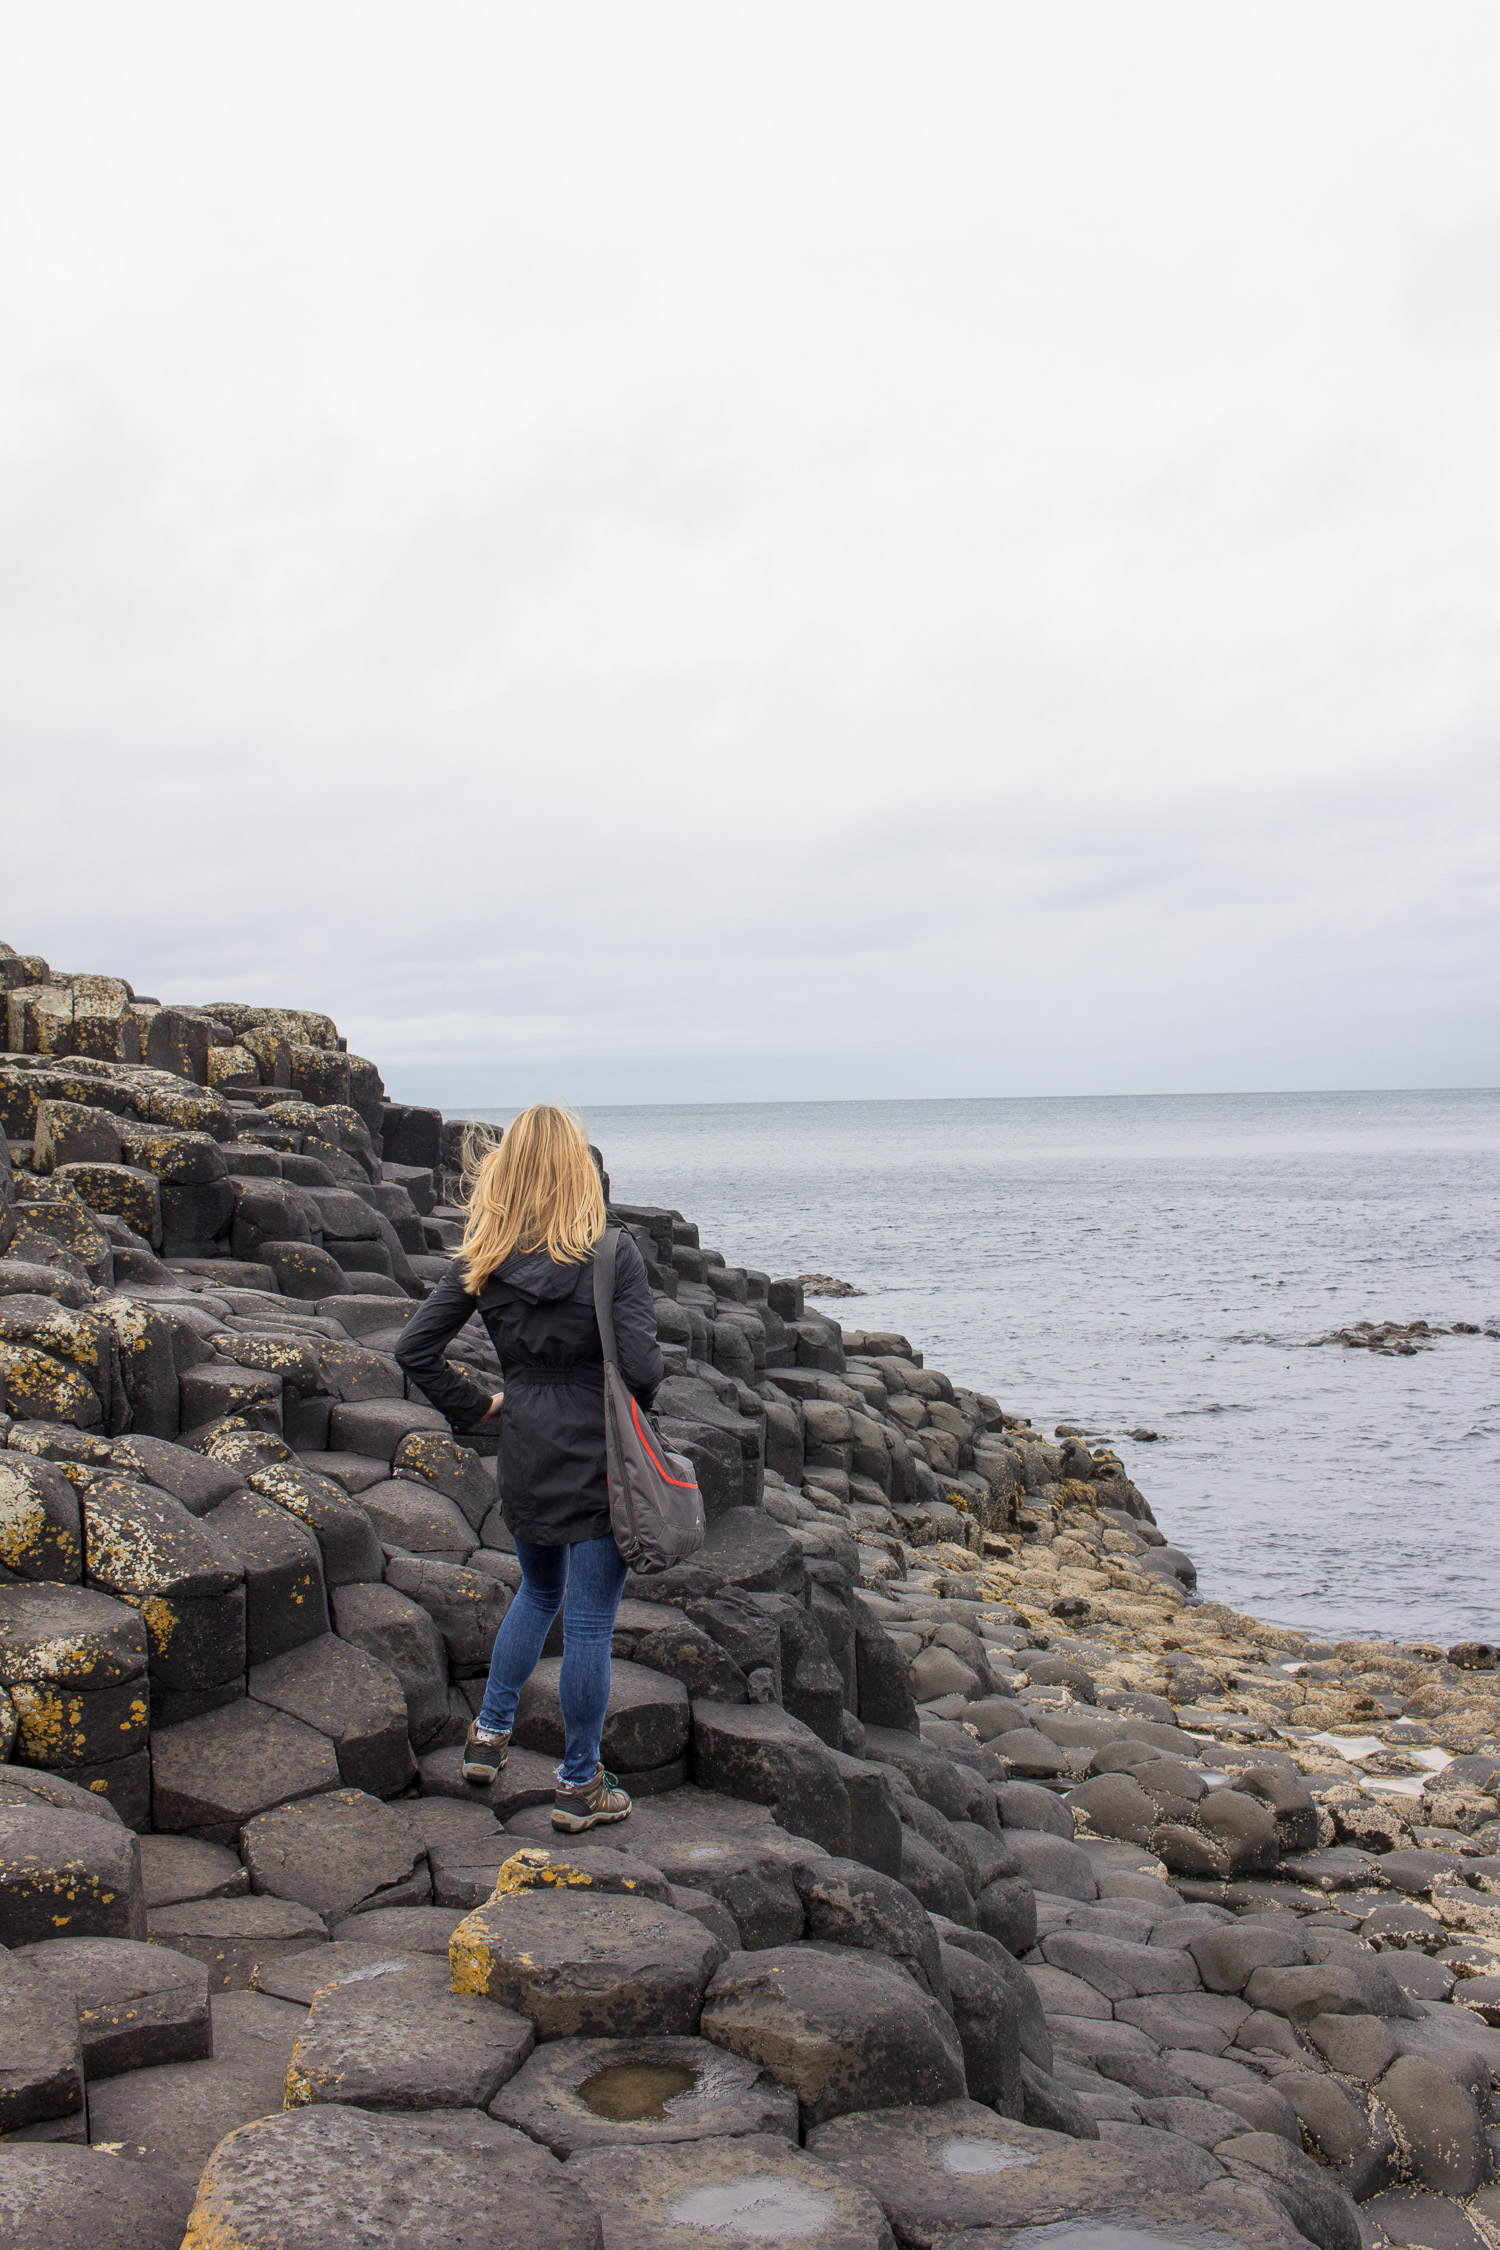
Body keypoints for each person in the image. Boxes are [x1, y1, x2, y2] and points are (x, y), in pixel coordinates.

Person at [393, 1105, 663, 1832]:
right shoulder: (612, 1252)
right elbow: (641, 1369)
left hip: (525, 1448)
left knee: (537, 1593)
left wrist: (480, 1407)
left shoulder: (485, 1256)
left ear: (505, 1172)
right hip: (600, 1454)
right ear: (580, 1169)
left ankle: (487, 1739)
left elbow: (413, 1350)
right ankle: (579, 1785)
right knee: (589, 1628)